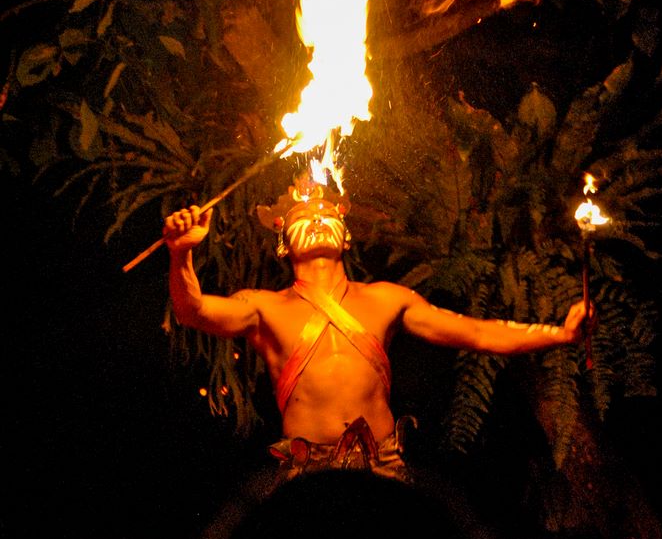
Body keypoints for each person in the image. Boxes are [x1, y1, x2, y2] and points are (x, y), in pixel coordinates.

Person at [163, 170, 593, 485]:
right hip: (307, 475)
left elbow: (477, 333)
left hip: (385, 469)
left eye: (327, 213)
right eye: (302, 217)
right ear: (282, 242)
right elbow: (193, 311)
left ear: (346, 237)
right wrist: (181, 253)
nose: (316, 220)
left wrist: (560, 334)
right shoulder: (262, 308)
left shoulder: (387, 299)